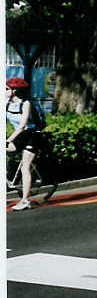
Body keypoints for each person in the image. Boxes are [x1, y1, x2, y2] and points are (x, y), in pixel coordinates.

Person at [5, 77, 41, 210]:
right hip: (20, 136)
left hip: (32, 134)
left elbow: (22, 126)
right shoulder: (6, 103)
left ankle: (25, 201)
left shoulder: (26, 104)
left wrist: (8, 140)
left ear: (14, 91)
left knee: (25, 167)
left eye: (6, 89)